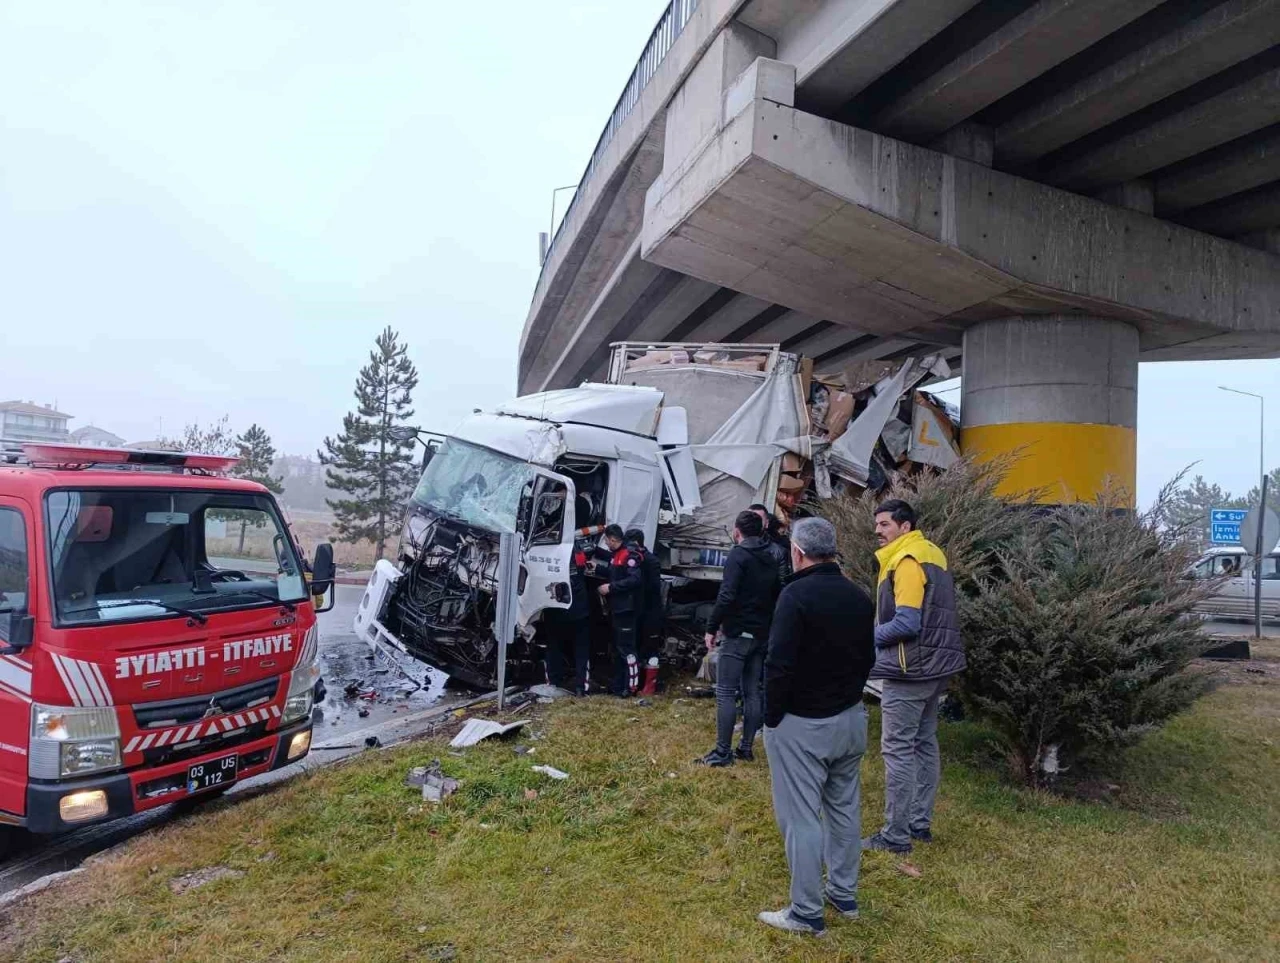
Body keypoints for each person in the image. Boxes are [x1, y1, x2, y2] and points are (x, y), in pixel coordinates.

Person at [758, 517, 876, 937]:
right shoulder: (860, 596)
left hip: (803, 724)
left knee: (800, 818)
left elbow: (778, 664)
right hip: (850, 718)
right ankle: (843, 894)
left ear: (797, 551)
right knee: (844, 810)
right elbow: (867, 658)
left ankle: (806, 912)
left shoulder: (795, 596)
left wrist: (770, 719)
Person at [863, 499, 964, 855]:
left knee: (898, 749)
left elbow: (907, 623)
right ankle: (919, 824)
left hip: (910, 669)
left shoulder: (905, 561)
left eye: (885, 524)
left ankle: (895, 835)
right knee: (924, 742)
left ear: (905, 527)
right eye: (876, 524)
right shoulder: (932, 553)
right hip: (937, 667)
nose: (877, 531)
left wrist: (862, 636)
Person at [698, 510, 780, 766]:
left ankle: (723, 752)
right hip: (761, 633)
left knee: (725, 692)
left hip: (738, 633)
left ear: (737, 531)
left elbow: (726, 595)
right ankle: (745, 748)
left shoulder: (739, 554)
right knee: (752, 691)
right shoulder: (771, 555)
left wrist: (712, 627)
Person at [598, 524, 643, 697]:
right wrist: (596, 569)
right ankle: (618, 686)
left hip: (627, 609)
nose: (606, 544)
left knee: (627, 650)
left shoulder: (629, 555)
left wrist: (611, 587)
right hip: (617, 609)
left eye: (606, 541)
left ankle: (631, 687)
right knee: (618, 650)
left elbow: (634, 580)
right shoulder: (616, 555)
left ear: (612, 539)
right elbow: (613, 572)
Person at [542, 545, 591, 696]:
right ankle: (581, 687)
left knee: (553, 647)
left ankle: (553, 682)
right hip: (579, 611)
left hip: (556, 611)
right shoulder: (579, 553)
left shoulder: (550, 557)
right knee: (581, 650)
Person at [626, 527, 664, 695]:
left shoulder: (650, 561)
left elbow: (655, 588)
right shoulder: (636, 559)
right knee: (638, 645)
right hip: (638, 611)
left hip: (651, 611)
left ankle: (650, 686)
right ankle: (639, 682)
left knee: (651, 648)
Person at [749, 503, 792, 579]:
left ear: (767, 523)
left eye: (757, 520)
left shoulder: (778, 551)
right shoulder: (739, 547)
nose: (752, 524)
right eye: (748, 518)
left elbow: (783, 580)